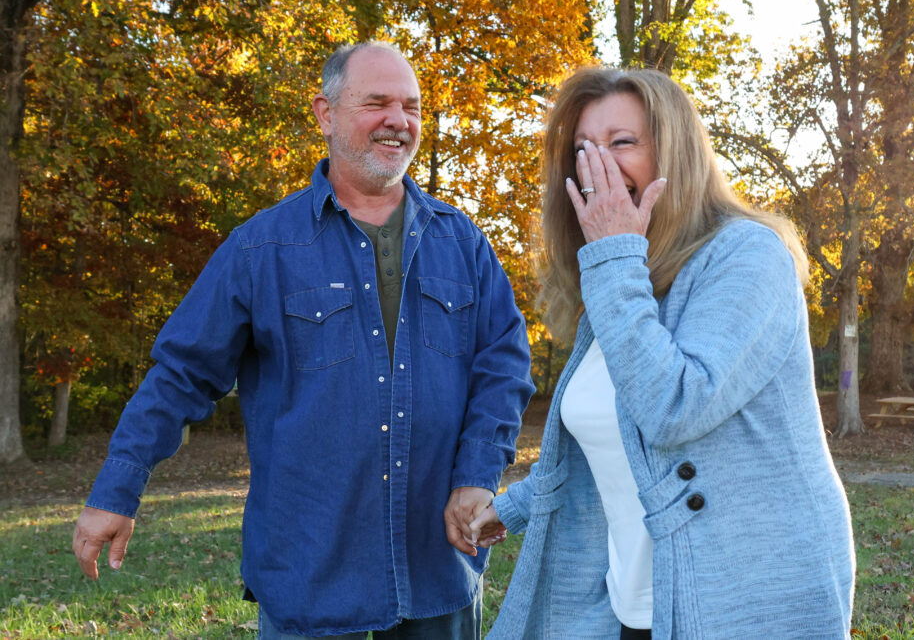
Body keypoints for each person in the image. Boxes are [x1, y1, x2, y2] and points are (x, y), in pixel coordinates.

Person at [72, 41, 534, 639]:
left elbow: (503, 367)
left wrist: (477, 475)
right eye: (377, 102)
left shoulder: (462, 243)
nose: (399, 119)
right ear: (324, 112)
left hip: (437, 563)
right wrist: (118, 490)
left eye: (412, 106)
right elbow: (180, 374)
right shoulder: (261, 248)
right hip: (310, 573)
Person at [470, 66, 855, 638]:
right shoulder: (624, 277)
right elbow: (611, 436)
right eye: (582, 149)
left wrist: (614, 257)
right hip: (636, 601)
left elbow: (674, 408)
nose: (597, 166)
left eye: (622, 143)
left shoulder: (747, 255)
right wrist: (513, 506)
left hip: (745, 600)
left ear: (676, 153)